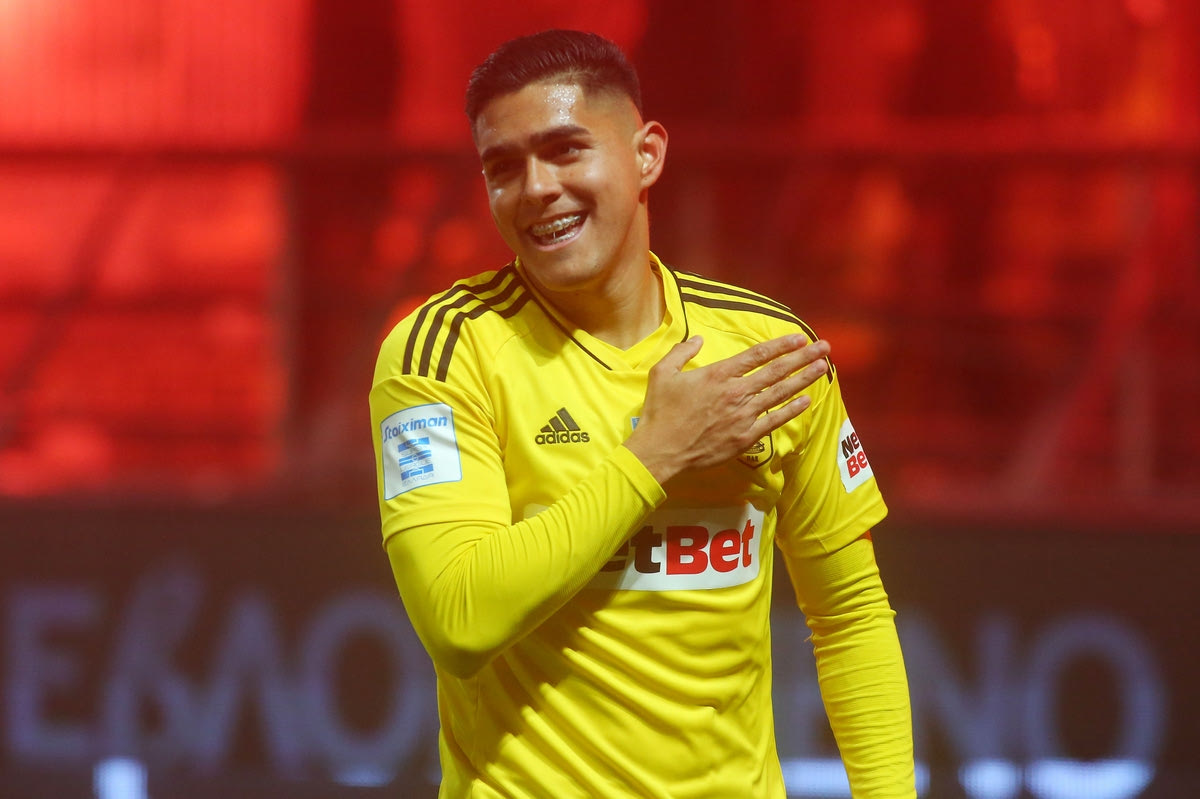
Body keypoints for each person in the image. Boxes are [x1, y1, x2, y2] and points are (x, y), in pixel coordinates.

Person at [370, 29, 915, 799]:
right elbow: (459, 619)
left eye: (565, 150)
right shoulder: (440, 353)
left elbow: (850, 612)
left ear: (647, 155)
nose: (536, 188)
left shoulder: (768, 351)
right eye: (504, 167)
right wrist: (656, 452)